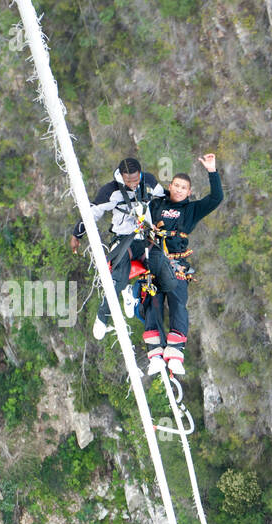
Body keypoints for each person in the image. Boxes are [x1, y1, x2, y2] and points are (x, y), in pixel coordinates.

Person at [70, 157, 177, 341]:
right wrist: (76, 234)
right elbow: (92, 213)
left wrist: (181, 205)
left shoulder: (148, 181)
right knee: (120, 276)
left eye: (136, 180)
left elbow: (164, 196)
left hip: (146, 239)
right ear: (121, 177)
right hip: (124, 239)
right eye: (129, 181)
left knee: (169, 281)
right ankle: (103, 316)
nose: (134, 185)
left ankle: (133, 292)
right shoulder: (111, 191)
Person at [140, 153, 223, 376]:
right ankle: (155, 353)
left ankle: (175, 352)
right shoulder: (156, 204)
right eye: (175, 185)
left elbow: (216, 198)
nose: (178, 190)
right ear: (170, 186)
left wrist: (212, 170)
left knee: (177, 304)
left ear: (189, 192)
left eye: (183, 187)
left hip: (176, 264)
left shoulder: (191, 210)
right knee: (152, 304)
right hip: (152, 263)